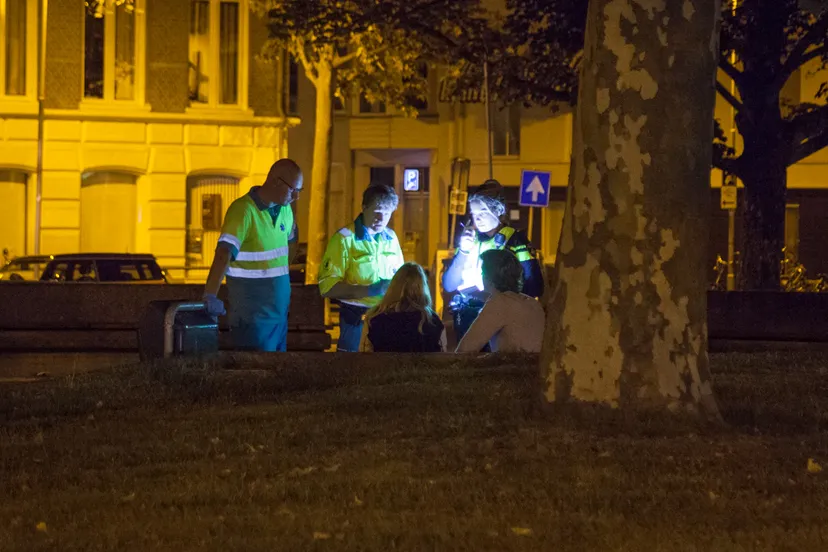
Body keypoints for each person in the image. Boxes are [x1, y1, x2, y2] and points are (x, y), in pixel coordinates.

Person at [202, 158, 303, 352]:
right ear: (275, 181)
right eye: (293, 189)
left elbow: (291, 242)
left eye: (300, 190)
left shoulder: (285, 210)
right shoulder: (243, 211)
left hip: (279, 317)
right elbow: (223, 254)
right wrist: (210, 295)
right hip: (252, 319)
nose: (296, 197)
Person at [441, 180, 544, 342]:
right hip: (469, 317)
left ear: (498, 211)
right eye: (474, 214)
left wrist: (491, 296)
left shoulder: (516, 240)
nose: (478, 219)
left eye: (482, 212)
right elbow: (449, 284)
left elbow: (534, 286)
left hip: (502, 321)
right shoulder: (471, 241)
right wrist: (463, 251)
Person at [318, 184, 405, 352]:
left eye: (387, 213)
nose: (381, 218)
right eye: (377, 211)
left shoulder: (391, 238)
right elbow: (327, 288)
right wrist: (371, 290)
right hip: (356, 319)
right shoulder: (344, 239)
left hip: (387, 316)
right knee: (350, 372)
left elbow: (401, 279)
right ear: (364, 207)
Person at [456, 249, 545, 353]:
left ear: (489, 277)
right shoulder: (533, 303)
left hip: (512, 368)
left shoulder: (499, 303)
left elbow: (465, 349)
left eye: (482, 272)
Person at [359, 262, 446, 352]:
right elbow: (443, 357)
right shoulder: (433, 321)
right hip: (422, 366)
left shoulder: (374, 319)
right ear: (423, 288)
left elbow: (364, 357)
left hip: (385, 366)